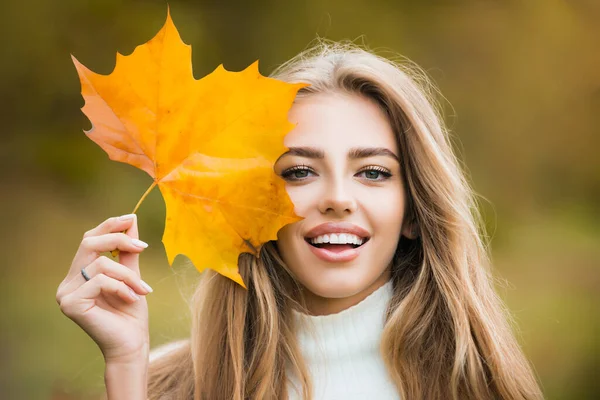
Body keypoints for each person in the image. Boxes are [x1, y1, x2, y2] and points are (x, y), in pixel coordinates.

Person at [56, 41, 543, 400]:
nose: (336, 198)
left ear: (414, 211)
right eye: (300, 171)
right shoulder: (162, 383)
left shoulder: (480, 387)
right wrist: (126, 366)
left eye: (373, 172)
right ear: (250, 204)